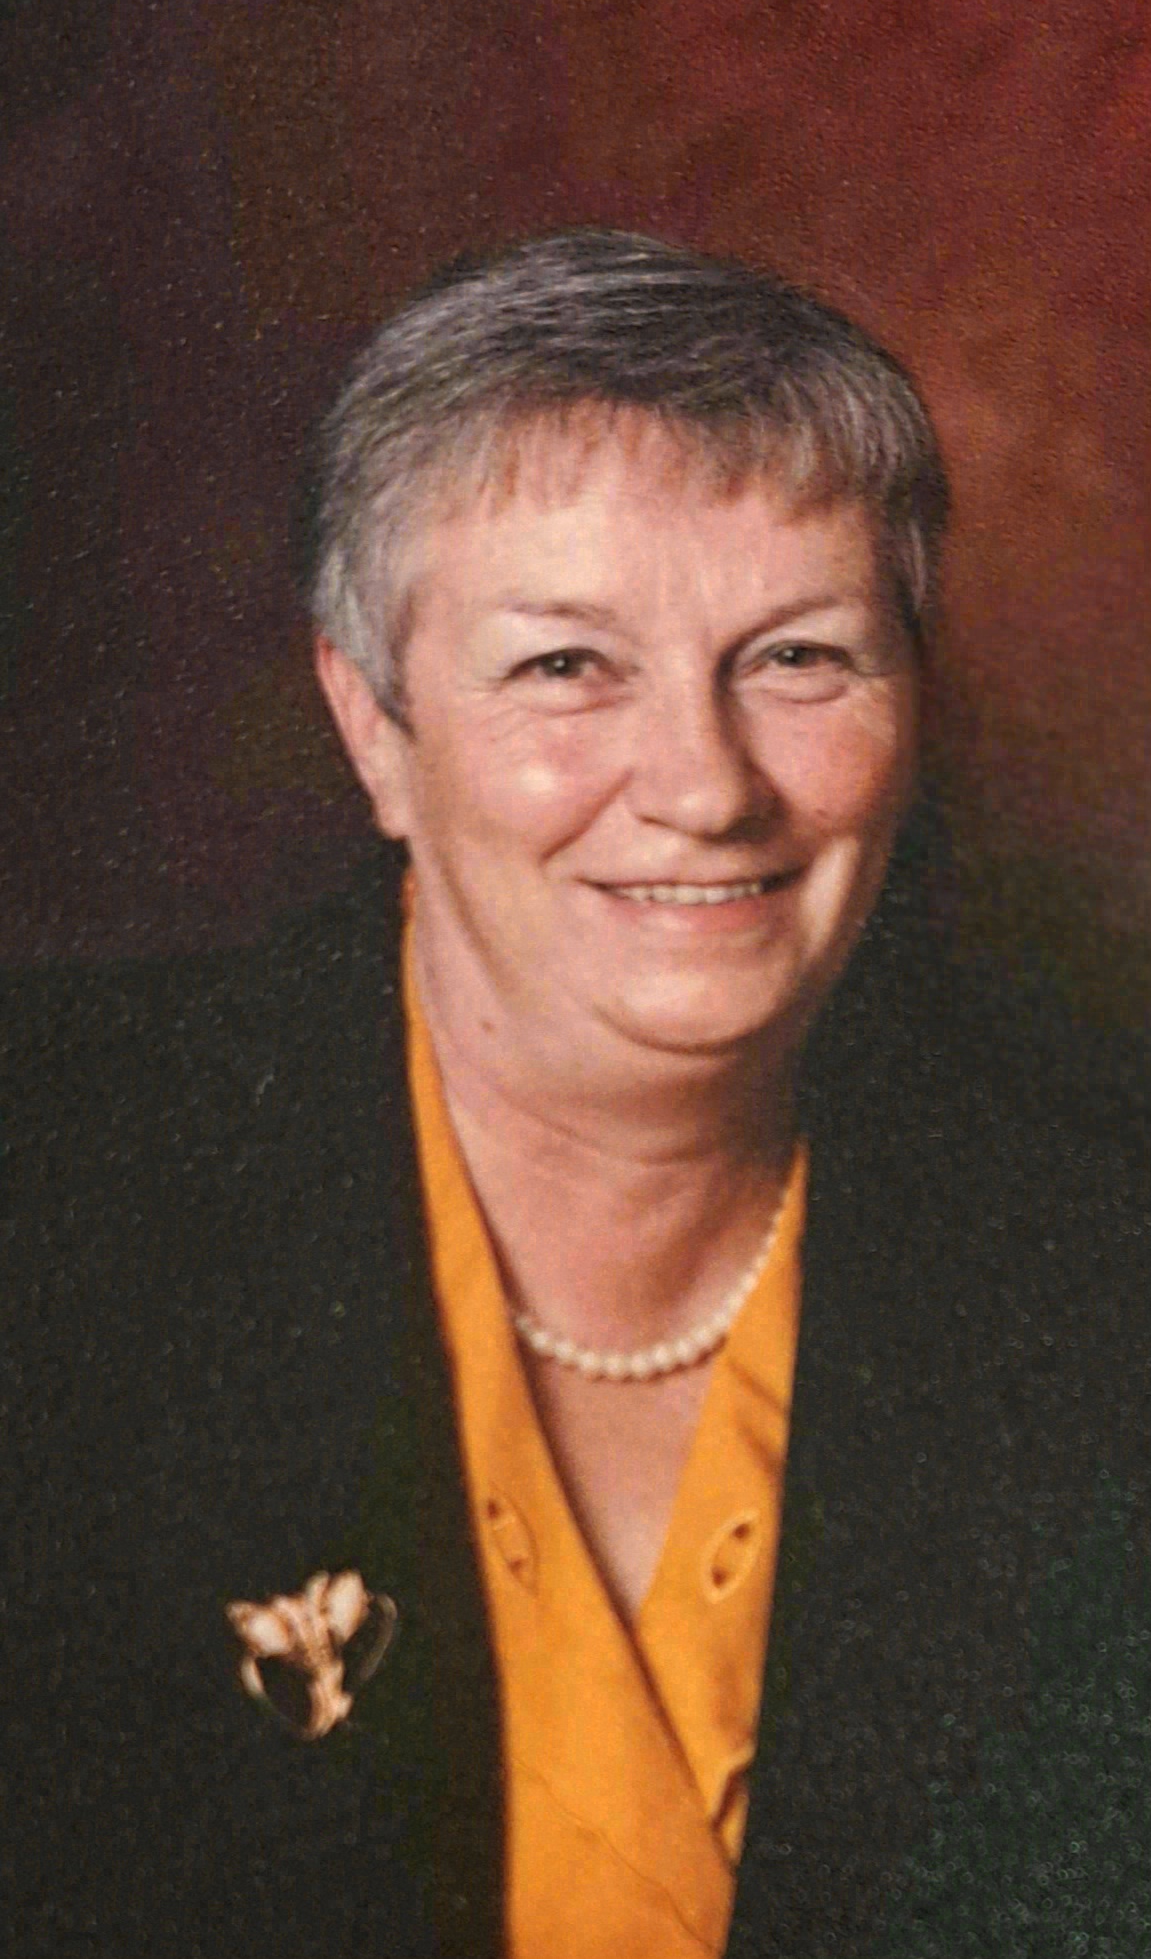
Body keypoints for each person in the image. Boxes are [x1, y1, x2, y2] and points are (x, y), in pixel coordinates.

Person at [2, 231, 1147, 1958]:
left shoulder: (1105, 1259)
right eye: (565, 666)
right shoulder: (49, 1187)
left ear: (913, 707)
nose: (703, 786)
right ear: (373, 726)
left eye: (800, 657)